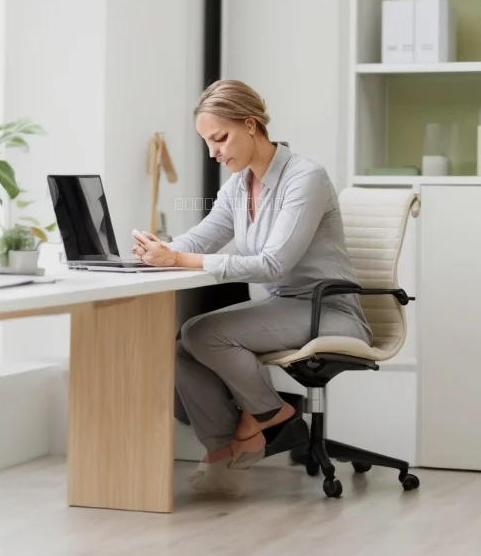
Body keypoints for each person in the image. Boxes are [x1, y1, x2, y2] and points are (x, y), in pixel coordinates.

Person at [131, 79, 372, 495]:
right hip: (285, 307)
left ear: (251, 124)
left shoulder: (305, 178)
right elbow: (201, 238)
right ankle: (225, 451)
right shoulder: (239, 186)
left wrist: (179, 259)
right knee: (181, 348)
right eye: (208, 142)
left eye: (220, 138)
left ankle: (270, 415)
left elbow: (272, 263)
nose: (214, 152)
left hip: (328, 311)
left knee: (201, 332)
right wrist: (160, 250)